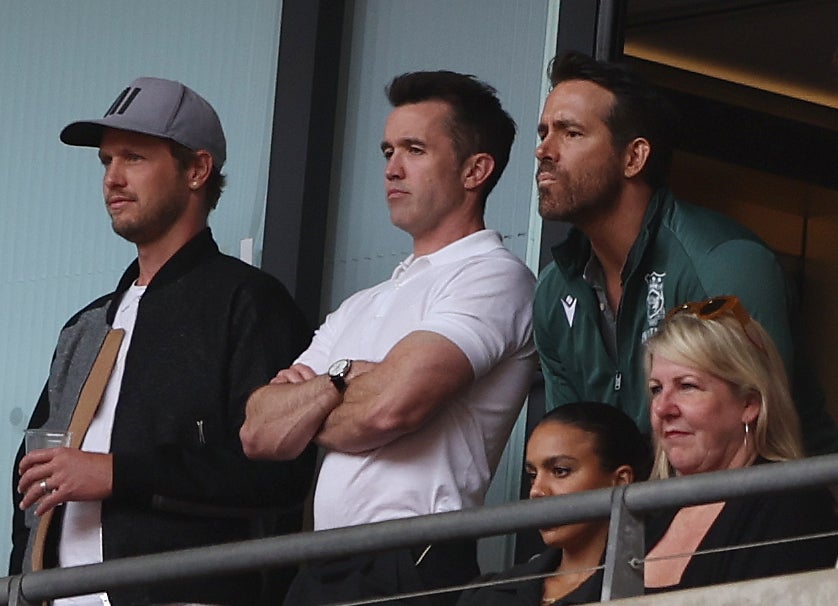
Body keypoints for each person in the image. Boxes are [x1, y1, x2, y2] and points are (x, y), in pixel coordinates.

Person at [10, 77, 316, 605]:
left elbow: (278, 477)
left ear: (197, 170)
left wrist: (117, 474)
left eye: (134, 157)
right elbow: (32, 482)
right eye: (106, 161)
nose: (113, 178)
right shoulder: (86, 325)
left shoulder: (248, 302)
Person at [240, 70, 536, 605]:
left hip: (412, 556)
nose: (391, 169)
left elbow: (389, 411)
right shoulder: (363, 302)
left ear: (476, 170)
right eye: (387, 150)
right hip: (319, 562)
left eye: (415, 150)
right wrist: (346, 377)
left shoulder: (493, 275)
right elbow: (259, 432)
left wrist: (311, 406)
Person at [532, 50, 838, 455]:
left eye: (570, 133)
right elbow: (573, 454)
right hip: (638, 515)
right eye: (543, 133)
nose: (544, 151)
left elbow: (747, 446)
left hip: (771, 510)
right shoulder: (555, 292)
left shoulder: (722, 261)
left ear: (634, 157)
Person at [644, 295, 837, 591]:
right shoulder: (650, 517)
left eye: (687, 386)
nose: (662, 408)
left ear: (749, 403)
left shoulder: (791, 505)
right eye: (656, 389)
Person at [457, 401, 651, 606]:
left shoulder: (657, 590)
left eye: (560, 471)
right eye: (532, 475)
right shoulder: (488, 594)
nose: (536, 491)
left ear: (620, 481)